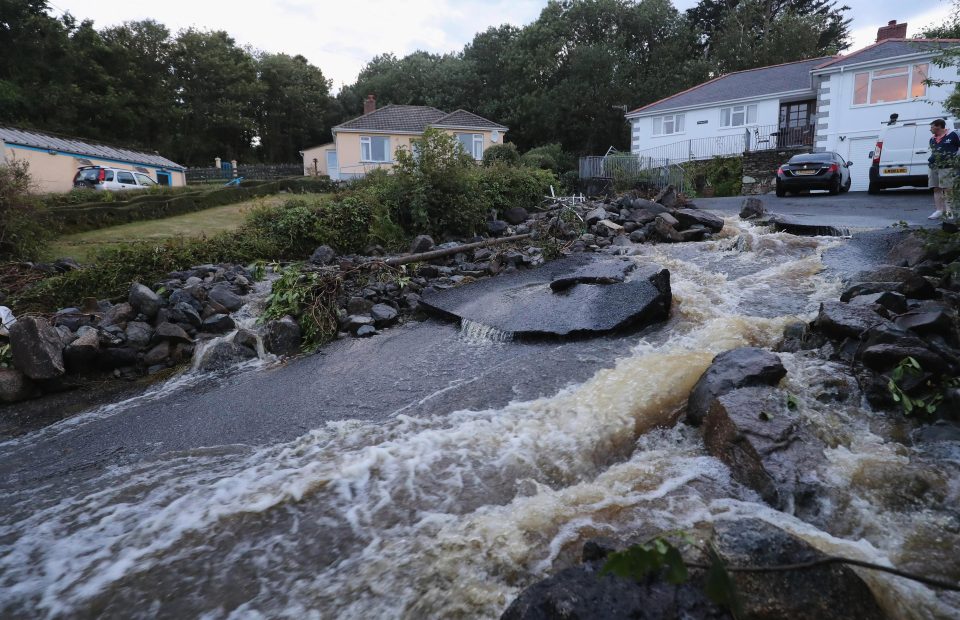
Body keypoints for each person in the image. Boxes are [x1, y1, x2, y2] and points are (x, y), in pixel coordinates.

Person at [927, 119, 960, 219]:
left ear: (939, 126)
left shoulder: (952, 135)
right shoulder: (932, 139)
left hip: (947, 167)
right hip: (934, 167)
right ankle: (939, 210)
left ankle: (950, 211)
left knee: (948, 189)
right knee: (936, 188)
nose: (930, 129)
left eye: (932, 127)